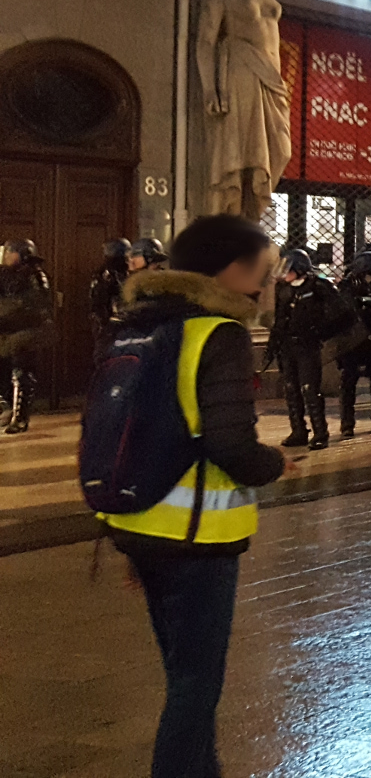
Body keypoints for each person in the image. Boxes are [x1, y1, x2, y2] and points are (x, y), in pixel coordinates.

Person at [101, 214, 287, 778]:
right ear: (229, 269)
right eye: (258, 272)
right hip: (196, 534)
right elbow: (232, 444)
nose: (260, 285)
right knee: (195, 684)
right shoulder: (218, 333)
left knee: (183, 673)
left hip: (136, 517)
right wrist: (275, 462)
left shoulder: (137, 325)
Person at [269, 249, 356, 450]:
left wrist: (322, 332)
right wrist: (275, 340)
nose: (284, 274)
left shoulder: (318, 286)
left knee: (309, 388)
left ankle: (320, 432)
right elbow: (280, 316)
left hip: (307, 345)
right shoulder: (283, 288)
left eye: (288, 269)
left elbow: (343, 314)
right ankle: (298, 430)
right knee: (291, 388)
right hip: (288, 345)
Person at [0, 240, 52, 434]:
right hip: (7, 332)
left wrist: (5, 309)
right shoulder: (5, 274)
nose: (6, 256)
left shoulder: (35, 276)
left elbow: (32, 305)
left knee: (21, 373)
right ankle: (7, 409)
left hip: (26, 332)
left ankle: (20, 418)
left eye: (10, 252)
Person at [337, 252, 371, 436]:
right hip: (353, 341)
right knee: (349, 383)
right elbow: (346, 309)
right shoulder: (347, 285)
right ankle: (347, 424)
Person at [90, 237, 133, 340]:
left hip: (120, 325)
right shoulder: (107, 275)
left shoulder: (124, 273)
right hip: (111, 326)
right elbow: (100, 302)